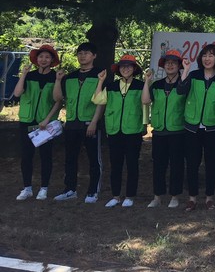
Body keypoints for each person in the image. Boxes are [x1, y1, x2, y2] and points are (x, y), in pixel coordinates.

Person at [177, 44, 215, 211]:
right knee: (192, 163)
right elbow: (180, 90)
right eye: (205, 55)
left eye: (211, 55)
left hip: (213, 127)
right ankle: (192, 198)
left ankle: (209, 197)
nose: (207, 59)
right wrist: (186, 70)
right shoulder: (194, 75)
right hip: (192, 127)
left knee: (212, 164)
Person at [52, 42, 104, 203]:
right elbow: (58, 98)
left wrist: (94, 122)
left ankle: (93, 191)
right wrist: (58, 80)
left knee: (93, 159)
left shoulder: (100, 75)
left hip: (89, 123)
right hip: (71, 123)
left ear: (94, 56)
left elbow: (101, 102)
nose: (82, 56)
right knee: (70, 158)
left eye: (86, 53)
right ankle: (70, 189)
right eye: (80, 53)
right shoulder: (70, 77)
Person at [94, 55, 145, 208]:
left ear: (134, 69)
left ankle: (130, 196)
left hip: (133, 131)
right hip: (114, 130)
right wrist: (101, 81)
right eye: (123, 66)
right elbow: (97, 100)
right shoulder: (111, 86)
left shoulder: (141, 86)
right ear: (118, 69)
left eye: (129, 66)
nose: (125, 69)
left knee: (132, 164)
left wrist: (144, 125)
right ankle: (115, 196)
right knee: (115, 165)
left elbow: (145, 105)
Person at [13, 45, 62, 201]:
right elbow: (17, 93)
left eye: (47, 57)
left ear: (52, 60)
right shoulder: (29, 75)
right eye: (41, 57)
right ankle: (27, 188)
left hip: (45, 123)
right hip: (27, 121)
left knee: (45, 156)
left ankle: (44, 188)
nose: (43, 60)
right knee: (26, 156)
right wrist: (23, 75)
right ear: (36, 59)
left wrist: (47, 119)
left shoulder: (56, 76)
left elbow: (58, 100)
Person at [142, 49, 186, 208]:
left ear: (179, 66)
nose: (170, 65)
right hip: (159, 131)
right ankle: (157, 197)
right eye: (167, 63)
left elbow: (185, 93)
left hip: (178, 131)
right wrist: (147, 82)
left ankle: (175, 196)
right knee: (158, 165)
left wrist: (185, 72)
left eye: (174, 63)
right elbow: (145, 100)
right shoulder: (157, 85)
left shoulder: (183, 83)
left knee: (176, 165)